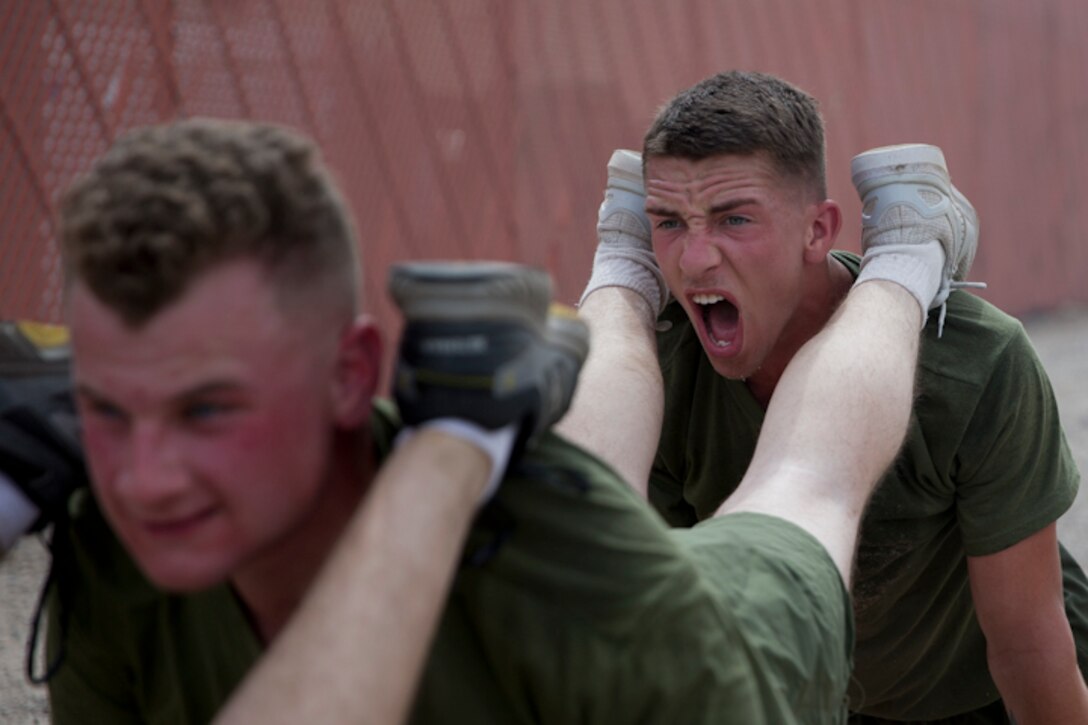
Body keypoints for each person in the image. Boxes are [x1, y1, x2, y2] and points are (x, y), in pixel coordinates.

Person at [44, 116, 927, 724]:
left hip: (725, 623)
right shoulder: (111, 553)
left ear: (353, 375)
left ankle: (911, 256)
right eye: (106, 409)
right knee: (577, 461)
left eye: (208, 409)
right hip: (543, 556)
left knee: (806, 481)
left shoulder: (600, 600)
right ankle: (620, 268)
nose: (143, 477)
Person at [565, 69, 1088, 723]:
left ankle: (904, 258)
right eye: (667, 222)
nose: (695, 259)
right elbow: (659, 618)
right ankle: (628, 268)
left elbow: (1027, 644)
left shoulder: (976, 364)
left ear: (819, 231)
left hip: (982, 697)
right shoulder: (651, 378)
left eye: (734, 218)